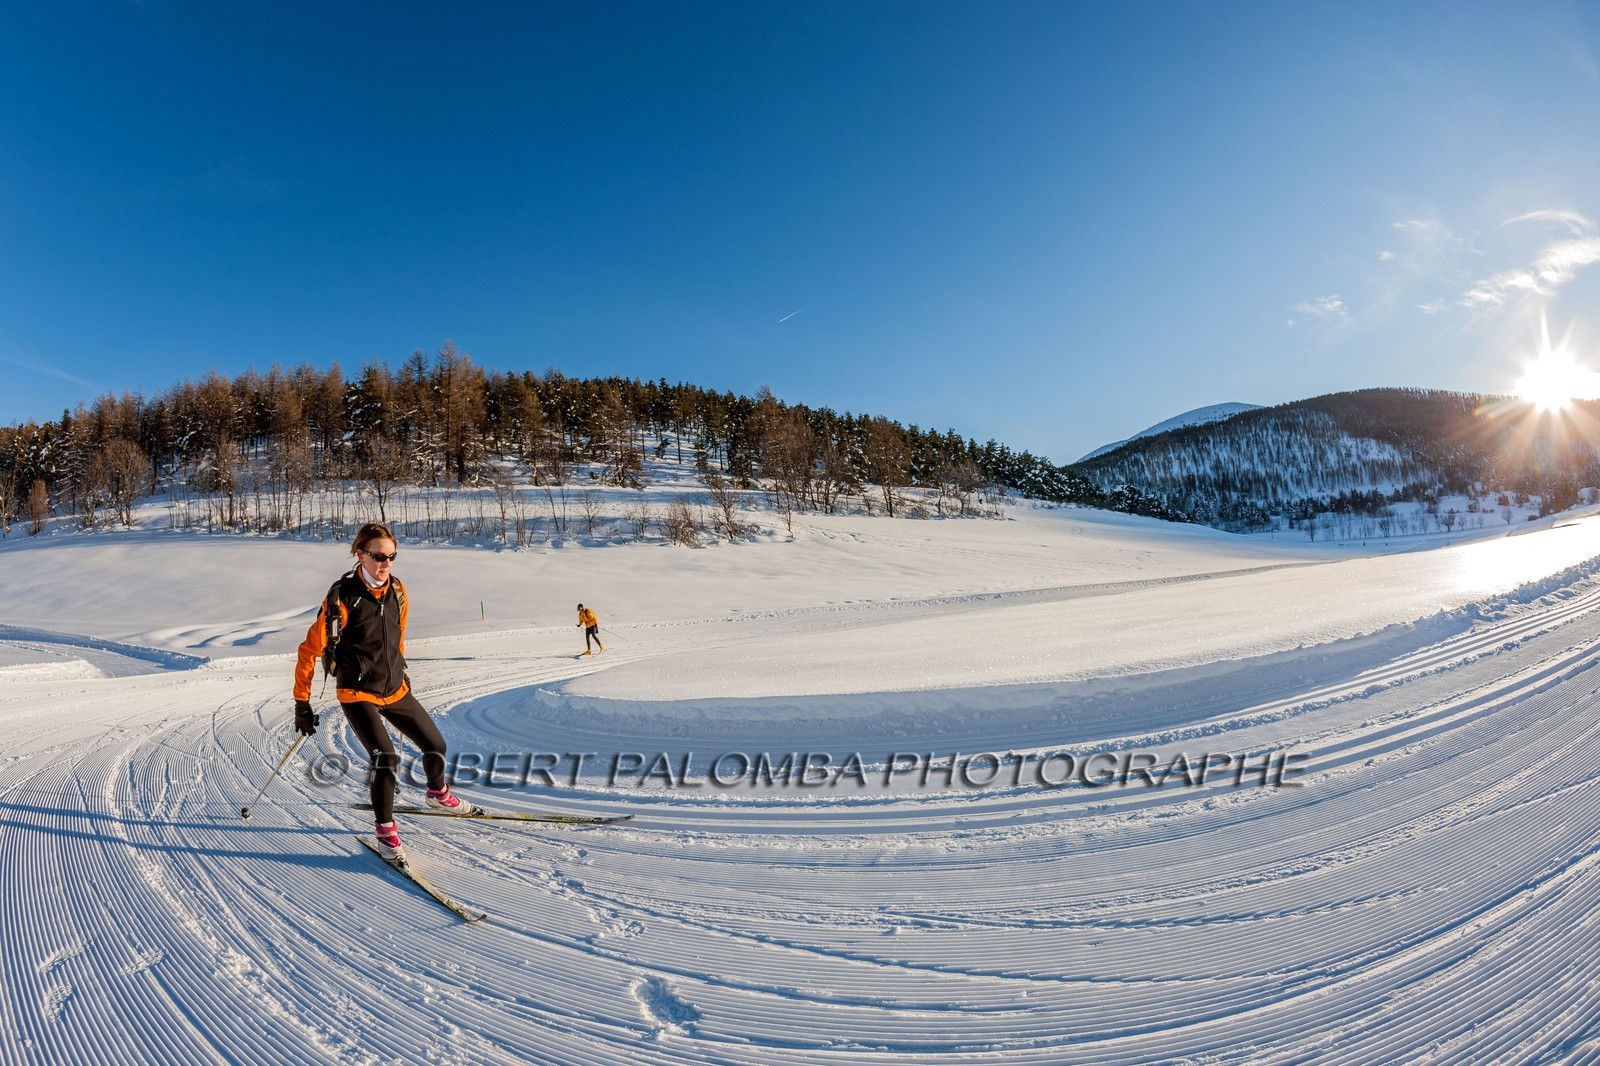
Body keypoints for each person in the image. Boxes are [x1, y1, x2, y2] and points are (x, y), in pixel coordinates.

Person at [292, 522, 471, 861]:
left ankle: (436, 793)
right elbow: (308, 651)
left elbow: (398, 634)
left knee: (435, 745)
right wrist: (302, 702)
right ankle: (385, 830)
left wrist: (400, 669)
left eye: (391, 556)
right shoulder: (342, 599)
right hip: (357, 691)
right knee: (385, 758)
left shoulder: (397, 590)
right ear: (360, 555)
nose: (385, 563)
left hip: (394, 687)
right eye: (378, 556)